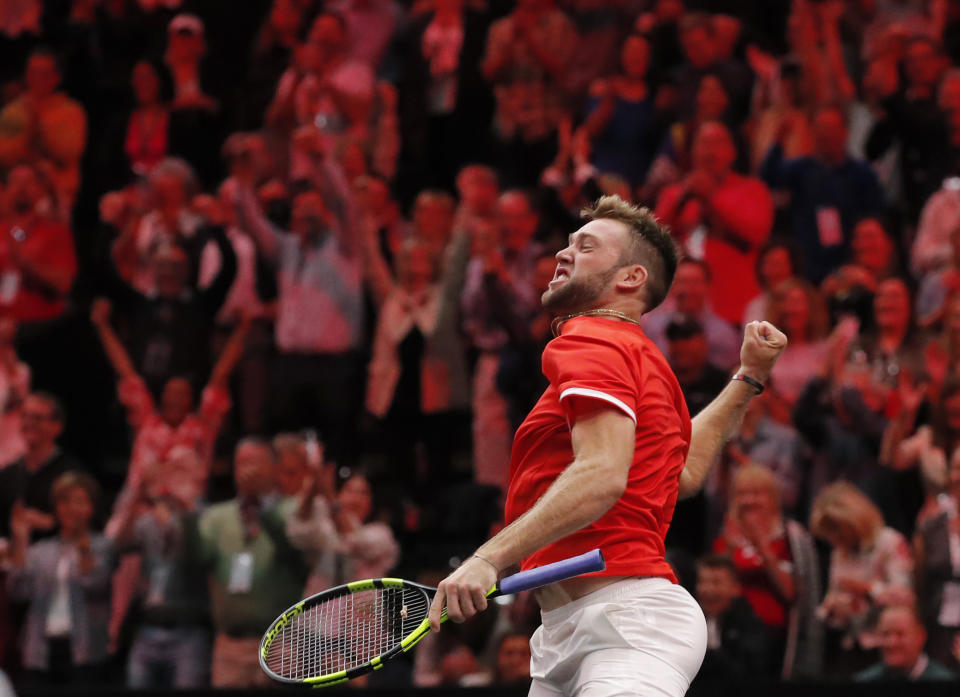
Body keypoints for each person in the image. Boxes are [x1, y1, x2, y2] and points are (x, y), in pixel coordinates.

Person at [426, 195, 788, 697]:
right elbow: (680, 474)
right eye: (569, 243)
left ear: (630, 278)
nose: (563, 254)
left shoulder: (592, 339)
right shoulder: (644, 362)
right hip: (564, 635)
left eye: (586, 246)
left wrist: (488, 558)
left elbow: (602, 473)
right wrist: (748, 377)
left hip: (624, 622)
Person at [196, 438, 308, 688]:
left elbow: (296, 556)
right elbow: (195, 561)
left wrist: (265, 511)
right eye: (241, 463)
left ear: (272, 468)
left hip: (282, 644)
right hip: (229, 647)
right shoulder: (217, 516)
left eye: (255, 463)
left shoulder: (292, 510)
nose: (247, 470)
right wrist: (185, 513)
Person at [655, 121, 774, 324]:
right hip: (683, 310)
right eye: (704, 143)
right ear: (692, 152)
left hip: (736, 308)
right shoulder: (674, 193)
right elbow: (652, 240)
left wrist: (710, 199)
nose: (710, 151)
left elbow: (758, 234)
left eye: (718, 143)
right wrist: (683, 195)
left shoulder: (752, 189)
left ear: (732, 152)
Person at [712, 465, 822, 677]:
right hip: (731, 634)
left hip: (774, 639)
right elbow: (716, 579)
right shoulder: (727, 534)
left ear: (773, 498)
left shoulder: (792, 536)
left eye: (756, 493)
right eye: (742, 493)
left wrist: (761, 545)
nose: (749, 500)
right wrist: (729, 546)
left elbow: (794, 593)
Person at [6, 472, 114, 686]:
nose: (71, 508)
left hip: (83, 650)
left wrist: (83, 542)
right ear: (57, 507)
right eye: (65, 502)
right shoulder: (42, 551)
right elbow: (18, 591)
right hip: (41, 649)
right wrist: (20, 539)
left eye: (79, 502)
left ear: (91, 508)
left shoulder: (103, 546)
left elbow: (94, 583)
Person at [810, 481, 915, 677]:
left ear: (852, 523)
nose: (834, 541)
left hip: (884, 646)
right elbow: (836, 603)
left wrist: (866, 588)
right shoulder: (840, 552)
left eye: (837, 532)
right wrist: (833, 610)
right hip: (850, 646)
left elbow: (904, 597)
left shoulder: (890, 542)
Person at [0, 48, 87, 211]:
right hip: (15, 191)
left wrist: (39, 129)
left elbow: (69, 152)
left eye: (44, 73)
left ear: (56, 77)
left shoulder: (71, 112)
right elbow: (3, 153)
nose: (37, 79)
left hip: (56, 191)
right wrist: (27, 150)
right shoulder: (13, 112)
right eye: (33, 72)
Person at [0, 392, 82, 539]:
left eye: (37, 418)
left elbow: (86, 521)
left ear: (57, 426)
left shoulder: (71, 474)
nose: (28, 423)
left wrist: (52, 522)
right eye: (24, 416)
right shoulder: (7, 474)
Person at [693, 554, 769, 680]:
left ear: (735, 588)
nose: (707, 589)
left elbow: (749, 673)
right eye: (702, 582)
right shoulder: (690, 620)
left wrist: (711, 654)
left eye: (716, 582)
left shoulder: (750, 626)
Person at [855, 604, 957, 681]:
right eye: (885, 634)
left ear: (920, 637)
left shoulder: (946, 684)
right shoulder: (864, 682)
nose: (891, 643)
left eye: (900, 634)